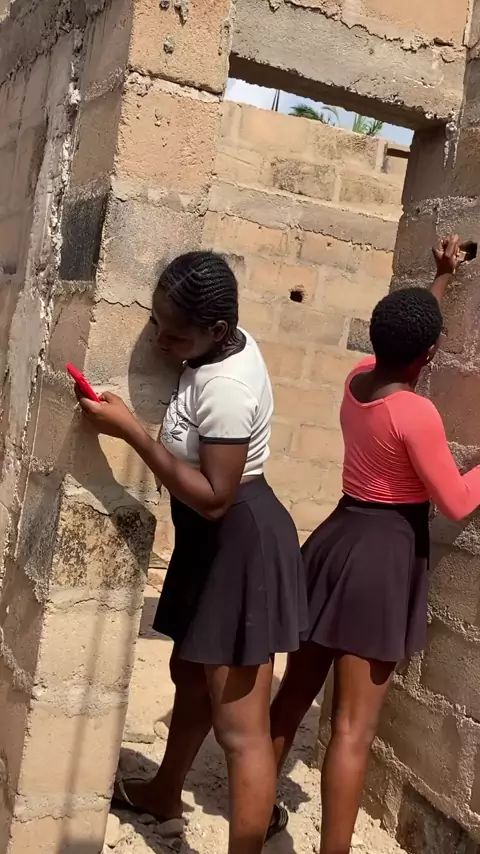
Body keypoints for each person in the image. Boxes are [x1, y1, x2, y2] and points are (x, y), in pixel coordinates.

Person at [77, 250, 307, 854]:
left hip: (239, 544)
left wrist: (132, 432)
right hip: (209, 547)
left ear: (218, 330)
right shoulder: (212, 352)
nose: (161, 341)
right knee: (189, 676)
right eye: (157, 324)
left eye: (175, 334)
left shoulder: (225, 386)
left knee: (240, 729)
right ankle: (163, 791)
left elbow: (214, 498)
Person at [267, 235, 480, 854]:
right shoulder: (416, 415)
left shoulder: (356, 379)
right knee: (353, 730)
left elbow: (405, 340)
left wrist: (441, 279)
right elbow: (456, 502)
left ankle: (254, 809)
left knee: (293, 696)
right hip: (382, 559)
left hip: (334, 542)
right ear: (430, 354)